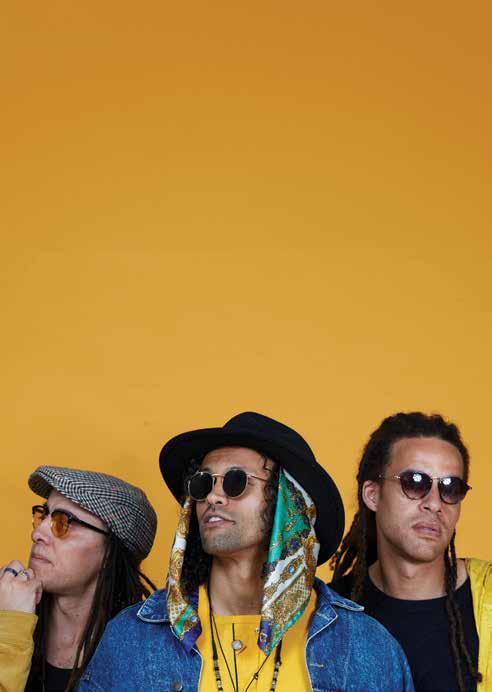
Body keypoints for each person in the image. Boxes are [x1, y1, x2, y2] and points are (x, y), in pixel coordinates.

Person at [80, 411, 414, 691]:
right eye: (203, 483)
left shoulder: (365, 648)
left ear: (290, 504)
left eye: (236, 481)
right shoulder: (133, 640)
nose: (213, 497)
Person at [330, 411, 492, 692]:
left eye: (450, 488)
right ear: (372, 494)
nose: (435, 503)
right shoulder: (326, 614)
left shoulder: (488, 599)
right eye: (415, 482)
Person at [0, 465, 158, 692]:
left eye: (63, 522)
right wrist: (9, 629)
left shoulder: (147, 657)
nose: (37, 534)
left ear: (109, 553)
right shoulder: (7, 618)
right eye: (43, 515)